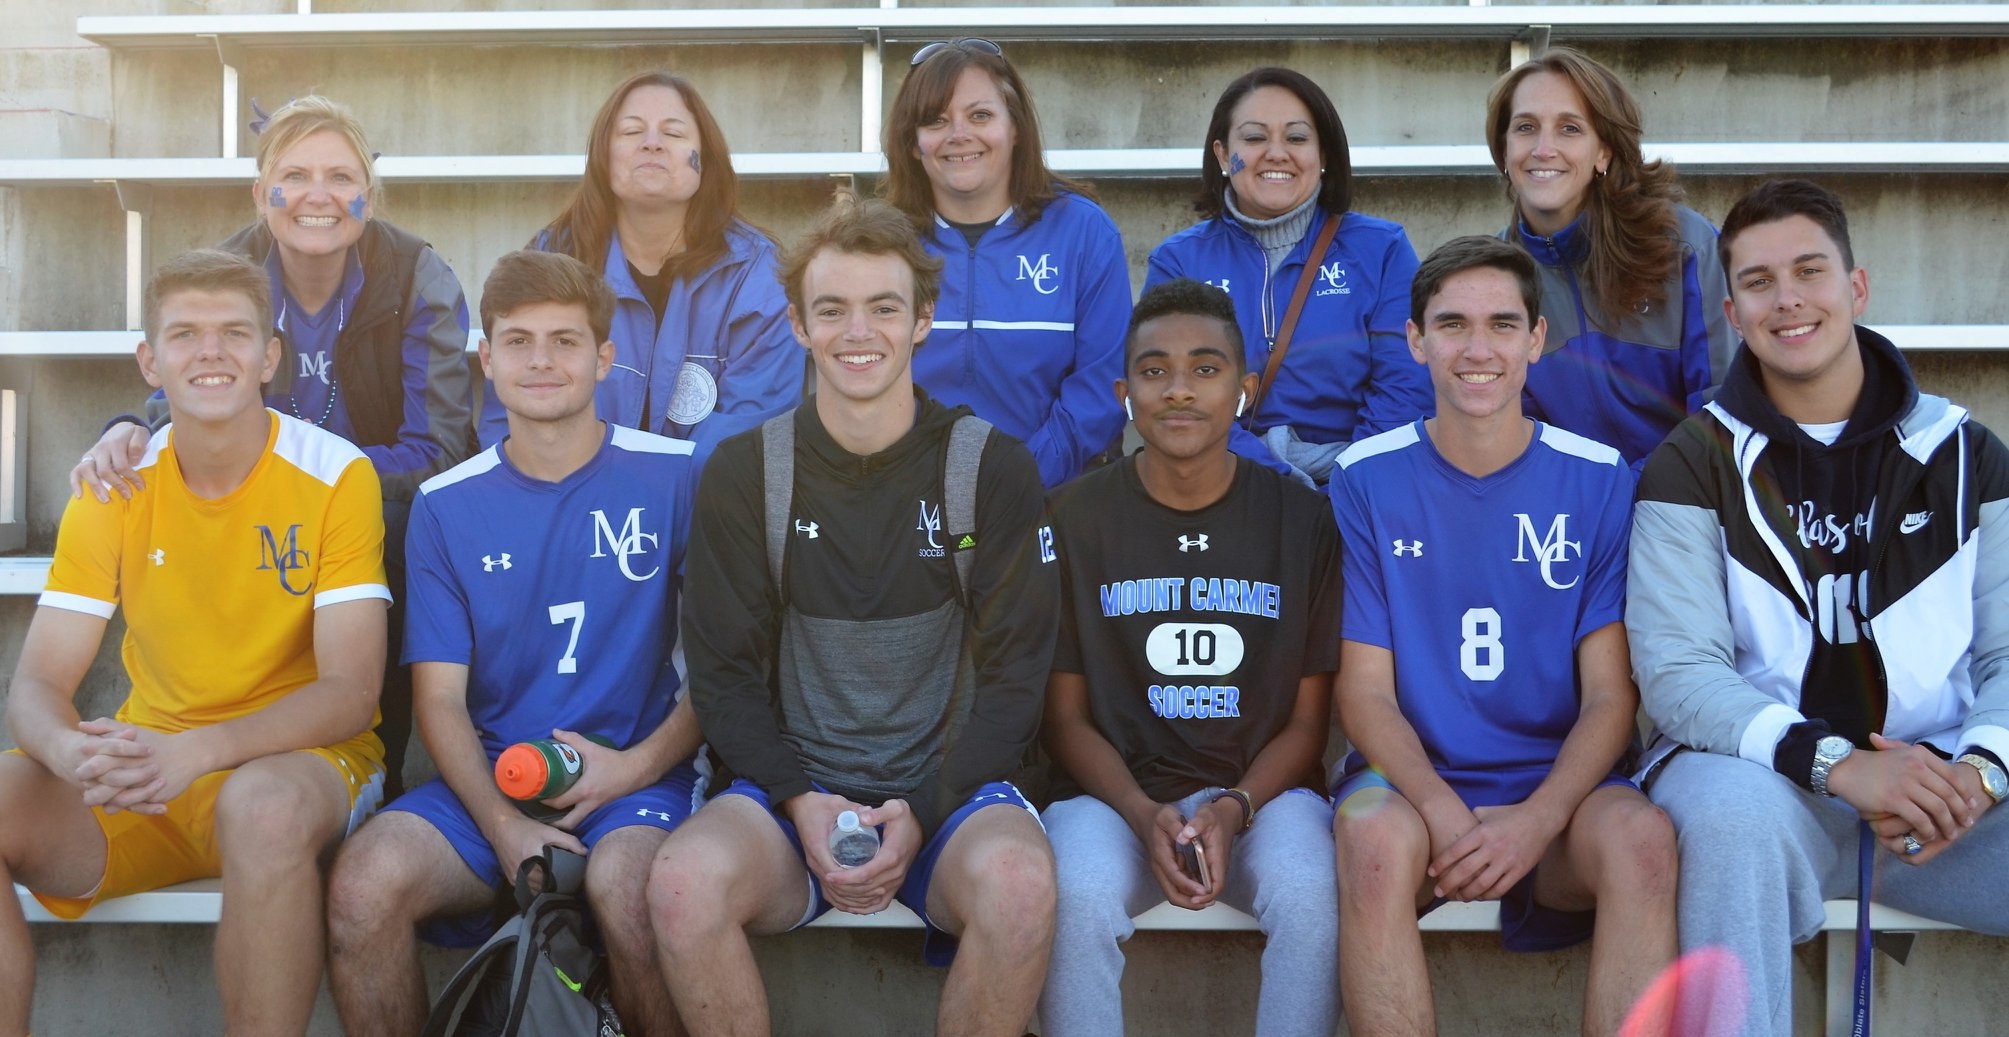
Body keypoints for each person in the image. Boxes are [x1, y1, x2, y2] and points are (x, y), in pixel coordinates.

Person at [646, 196, 1059, 1037]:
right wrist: (800, 799)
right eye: (831, 309)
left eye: (883, 307)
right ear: (798, 325)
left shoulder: (989, 466)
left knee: (1020, 885)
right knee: (682, 883)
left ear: (923, 320)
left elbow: (1018, 680)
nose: (857, 331)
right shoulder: (745, 471)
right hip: (787, 795)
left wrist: (925, 806)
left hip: (949, 797)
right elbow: (722, 678)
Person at [1630, 179, 2009, 1037]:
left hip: (1943, 796)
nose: (1787, 298)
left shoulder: (1964, 452)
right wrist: (1836, 764)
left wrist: (1980, 773)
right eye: (1758, 281)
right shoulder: (1689, 461)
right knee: (1729, 820)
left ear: (1856, 286)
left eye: (1809, 270)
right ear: (1732, 311)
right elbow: (1679, 673)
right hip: (1769, 791)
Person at [2, 249, 389, 1034]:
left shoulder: (336, 474)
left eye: (234, 332)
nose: (211, 351)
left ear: (270, 356)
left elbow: (351, 693)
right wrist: (72, 753)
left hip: (303, 765)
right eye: (184, 333)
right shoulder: (111, 485)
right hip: (155, 774)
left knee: (261, 807)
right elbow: (38, 684)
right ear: (150, 362)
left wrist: (196, 752)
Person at [325, 250, 702, 1037]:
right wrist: (504, 828)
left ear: (604, 357)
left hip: (640, 779)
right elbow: (439, 700)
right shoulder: (444, 504)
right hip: (495, 783)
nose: (541, 360)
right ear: (487, 359)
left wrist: (633, 767)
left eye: (565, 341)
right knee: (363, 886)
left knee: (633, 890)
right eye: (519, 341)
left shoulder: (677, 477)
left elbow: (721, 673)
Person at [71, 95, 476, 798]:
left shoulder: (418, 274)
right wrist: (126, 427)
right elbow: (180, 408)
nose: (319, 196)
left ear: (369, 195)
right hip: (249, 498)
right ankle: (198, 739)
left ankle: (373, 774)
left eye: (341, 178)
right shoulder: (225, 271)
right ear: (262, 194)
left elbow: (439, 450)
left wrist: (313, 483)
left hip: (373, 506)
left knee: (400, 526)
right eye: (295, 176)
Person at [1328, 236, 1676, 1036]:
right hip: (1416, 793)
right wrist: (1443, 810)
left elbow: (1609, 696)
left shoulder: (1598, 476)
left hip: (1558, 796)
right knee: (1370, 840)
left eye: (1501, 324)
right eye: (1451, 324)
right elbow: (1365, 692)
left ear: (1535, 338)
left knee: (1643, 841)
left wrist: (1538, 817)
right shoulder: (1364, 476)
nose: (1477, 349)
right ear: (1415, 340)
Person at [1038, 279, 1340, 1037]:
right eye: (1154, 370)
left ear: (1244, 391)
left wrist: (1233, 806)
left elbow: (1310, 723)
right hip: (1116, 800)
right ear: (1124, 393)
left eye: (1205, 369)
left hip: (1263, 799)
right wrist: (1142, 813)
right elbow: (1065, 717)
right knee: (1072, 892)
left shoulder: (1301, 518)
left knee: (1313, 892)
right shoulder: (1073, 516)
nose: (1178, 389)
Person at [1147, 66, 1431, 487]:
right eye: (1254, 138)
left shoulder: (1382, 250)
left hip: (1362, 488)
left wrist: (1351, 487)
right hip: (1225, 485)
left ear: (1324, 155)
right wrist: (1279, 483)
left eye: (1296, 138)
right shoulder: (1179, 261)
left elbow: (1406, 388)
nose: (1276, 153)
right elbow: (1172, 396)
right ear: (1223, 155)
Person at [508, 70, 802, 466]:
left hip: (707, 499)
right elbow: (515, 410)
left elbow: (748, 433)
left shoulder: (755, 273)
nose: (652, 143)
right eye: (632, 132)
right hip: (571, 494)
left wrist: (653, 496)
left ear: (706, 160)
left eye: (674, 133)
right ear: (603, 155)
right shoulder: (551, 259)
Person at [883, 37, 1131, 488]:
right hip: (907, 496)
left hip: (1049, 493)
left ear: (1015, 128)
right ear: (914, 143)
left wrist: (1018, 480)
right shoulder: (880, 240)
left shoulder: (1085, 232)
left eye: (980, 115)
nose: (959, 134)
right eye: (936, 120)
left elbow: (1101, 387)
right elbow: (854, 379)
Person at [1485, 47, 1736, 467]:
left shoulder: (1687, 246)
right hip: (1566, 498)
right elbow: (1512, 431)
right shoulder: (1495, 275)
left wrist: (1640, 487)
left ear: (1603, 152)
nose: (1543, 148)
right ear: (1504, 149)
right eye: (1526, 127)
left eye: (1569, 128)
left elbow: (1720, 410)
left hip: (1685, 492)